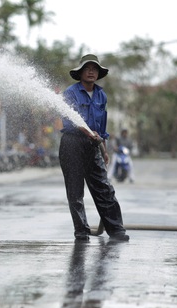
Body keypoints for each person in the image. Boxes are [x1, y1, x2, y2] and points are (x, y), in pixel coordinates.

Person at [59, 54, 129, 242]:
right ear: (80, 72)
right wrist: (89, 133)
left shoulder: (101, 95)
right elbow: (71, 119)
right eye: (87, 68)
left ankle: (116, 229)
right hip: (72, 142)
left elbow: (101, 127)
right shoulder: (70, 93)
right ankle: (81, 232)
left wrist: (104, 151)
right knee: (75, 191)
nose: (91, 71)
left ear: (98, 73)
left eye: (94, 69)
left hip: (94, 144)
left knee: (104, 187)